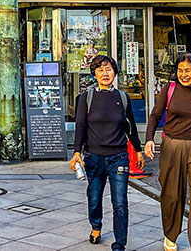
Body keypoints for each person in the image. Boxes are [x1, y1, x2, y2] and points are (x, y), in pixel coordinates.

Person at [144, 53, 191, 251]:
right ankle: (170, 235)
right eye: (180, 70)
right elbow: (155, 114)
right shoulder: (170, 88)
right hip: (172, 146)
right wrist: (149, 139)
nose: (183, 75)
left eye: (188, 70)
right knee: (172, 196)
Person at [70, 55, 143, 249]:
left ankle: (120, 244)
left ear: (115, 72)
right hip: (94, 157)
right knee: (94, 197)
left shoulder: (122, 98)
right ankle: (96, 226)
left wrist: (138, 150)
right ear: (94, 73)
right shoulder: (86, 98)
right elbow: (80, 127)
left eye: (109, 69)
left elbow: (131, 127)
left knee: (120, 202)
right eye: (101, 70)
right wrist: (77, 152)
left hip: (119, 157)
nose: (105, 73)